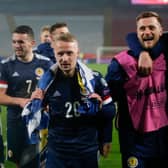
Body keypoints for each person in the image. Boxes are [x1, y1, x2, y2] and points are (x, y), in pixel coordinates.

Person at [30, 32, 116, 168]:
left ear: (77, 53)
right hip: (57, 151)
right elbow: (37, 114)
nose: (65, 58)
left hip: (86, 150)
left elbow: (110, 110)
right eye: (60, 54)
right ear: (55, 54)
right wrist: (35, 105)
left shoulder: (94, 80)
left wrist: (106, 138)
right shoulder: (46, 83)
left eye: (69, 53)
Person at [105, 11, 168, 168]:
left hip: (165, 137)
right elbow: (108, 102)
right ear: (137, 32)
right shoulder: (120, 64)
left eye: (152, 27)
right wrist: (105, 136)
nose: (147, 32)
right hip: (135, 141)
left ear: (161, 30)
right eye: (142, 29)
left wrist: (144, 53)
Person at [0, 25, 53, 168]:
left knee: (41, 163)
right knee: (20, 163)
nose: (17, 45)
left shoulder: (46, 64)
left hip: (40, 122)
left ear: (32, 43)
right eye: (14, 42)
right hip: (16, 123)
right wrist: (21, 101)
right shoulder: (6, 66)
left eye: (21, 42)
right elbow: (0, 96)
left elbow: (55, 91)